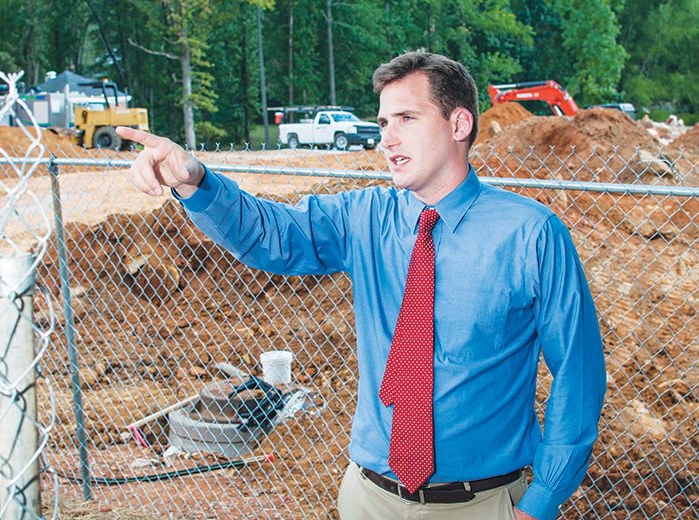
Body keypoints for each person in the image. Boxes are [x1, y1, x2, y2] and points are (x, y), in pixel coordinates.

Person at [117, 50, 606, 520]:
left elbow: (578, 373)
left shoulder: (531, 234)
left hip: (482, 505)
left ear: (459, 124)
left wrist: (541, 500)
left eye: (406, 120)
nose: (386, 140)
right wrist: (194, 180)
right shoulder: (364, 217)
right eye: (383, 123)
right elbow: (270, 234)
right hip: (369, 500)